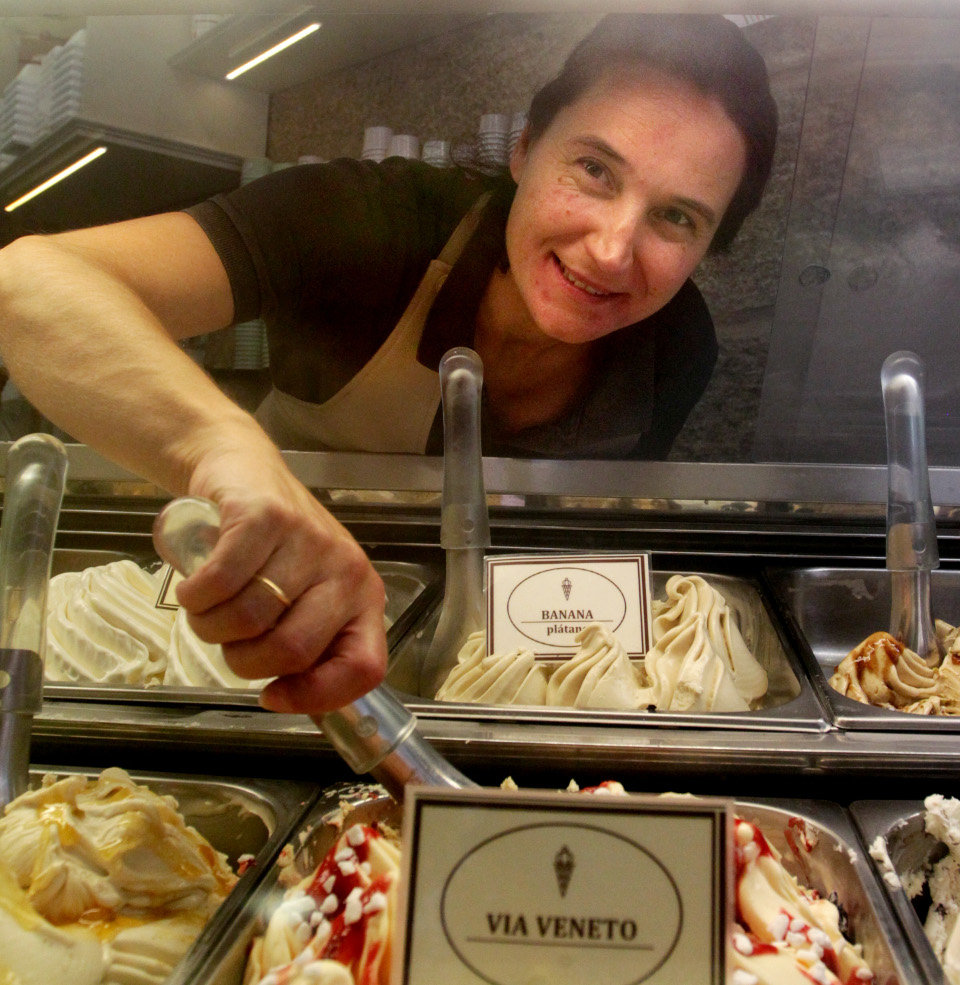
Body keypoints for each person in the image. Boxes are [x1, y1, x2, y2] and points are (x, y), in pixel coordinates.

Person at [0, 14, 777, 716]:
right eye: (595, 171)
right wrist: (225, 451)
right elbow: (27, 288)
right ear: (525, 147)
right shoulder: (365, 221)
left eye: (677, 216)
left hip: (488, 681)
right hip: (249, 641)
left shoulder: (677, 347)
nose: (611, 249)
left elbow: (584, 558)